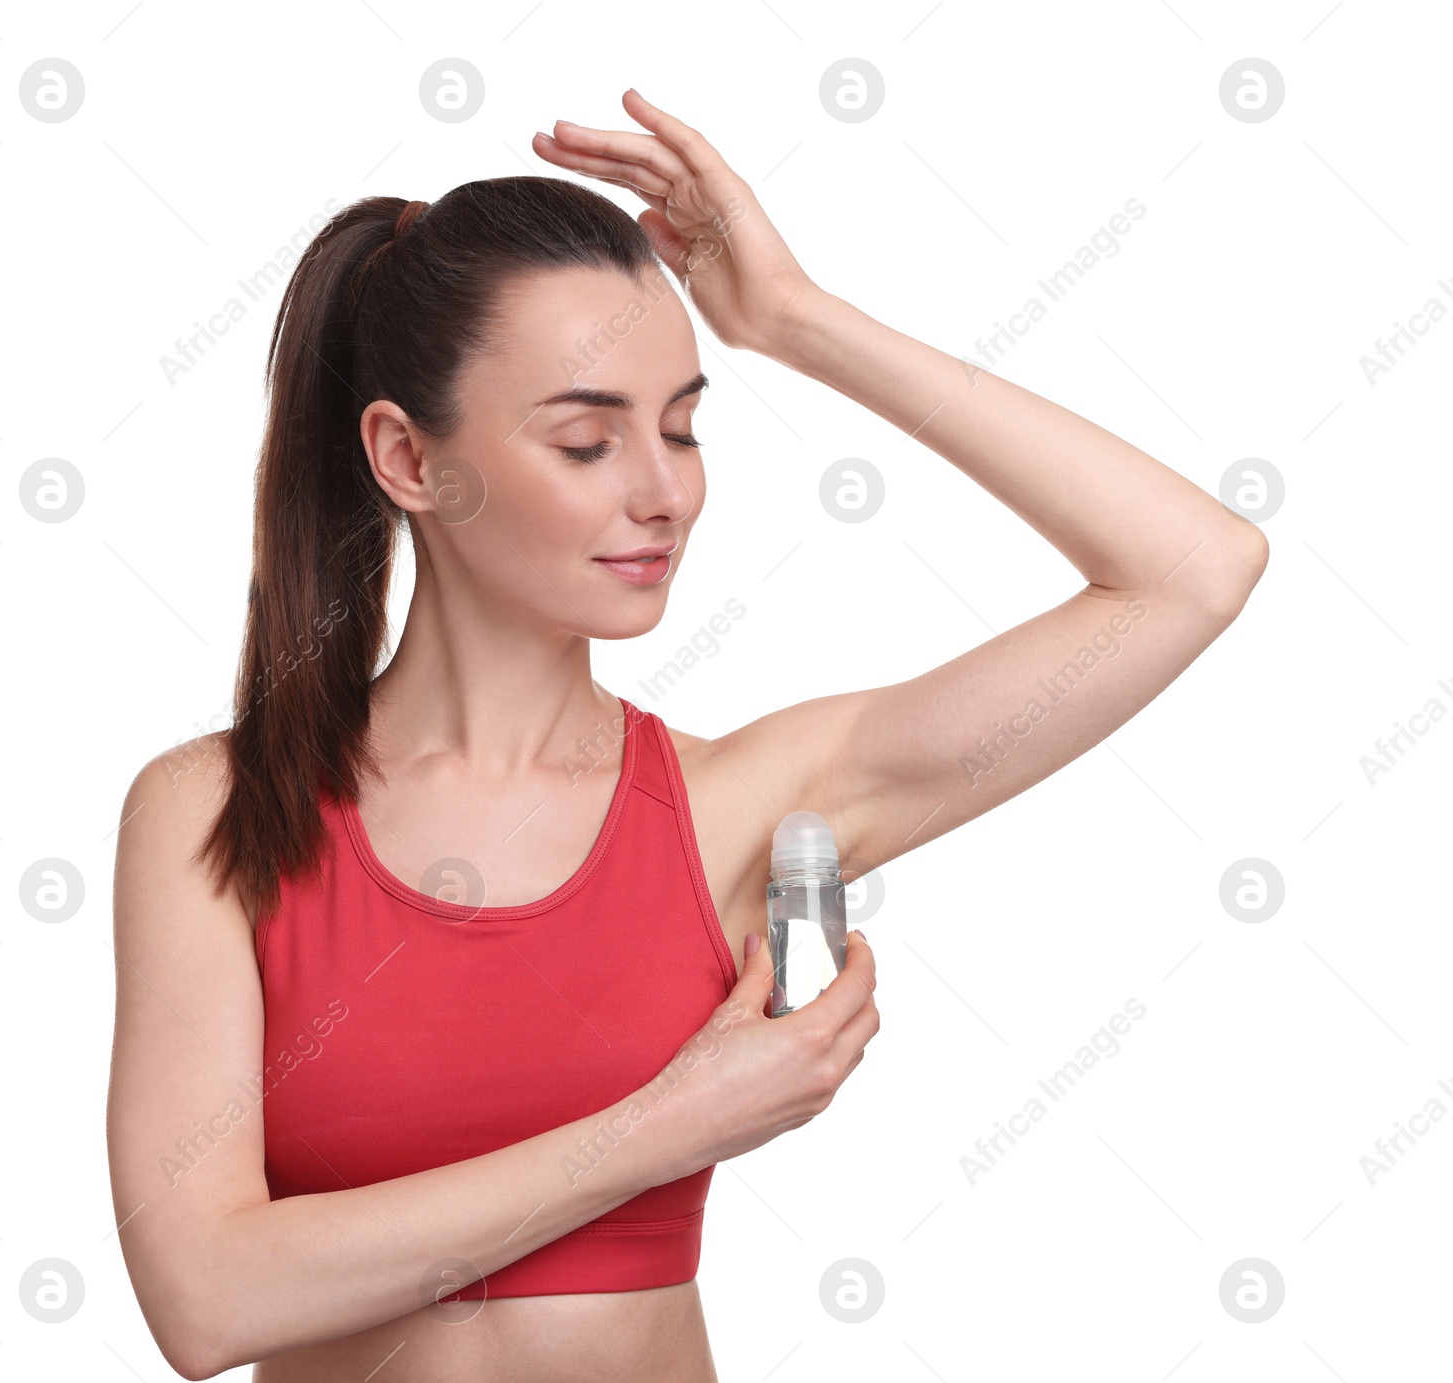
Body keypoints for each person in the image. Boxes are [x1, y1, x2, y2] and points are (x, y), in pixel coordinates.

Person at [106, 89, 1267, 1381]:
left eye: (683, 427)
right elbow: (206, 1298)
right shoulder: (216, 814)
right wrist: (661, 1129)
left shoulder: (739, 804)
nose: (664, 493)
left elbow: (1192, 571)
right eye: (588, 439)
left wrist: (794, 320)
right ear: (406, 457)